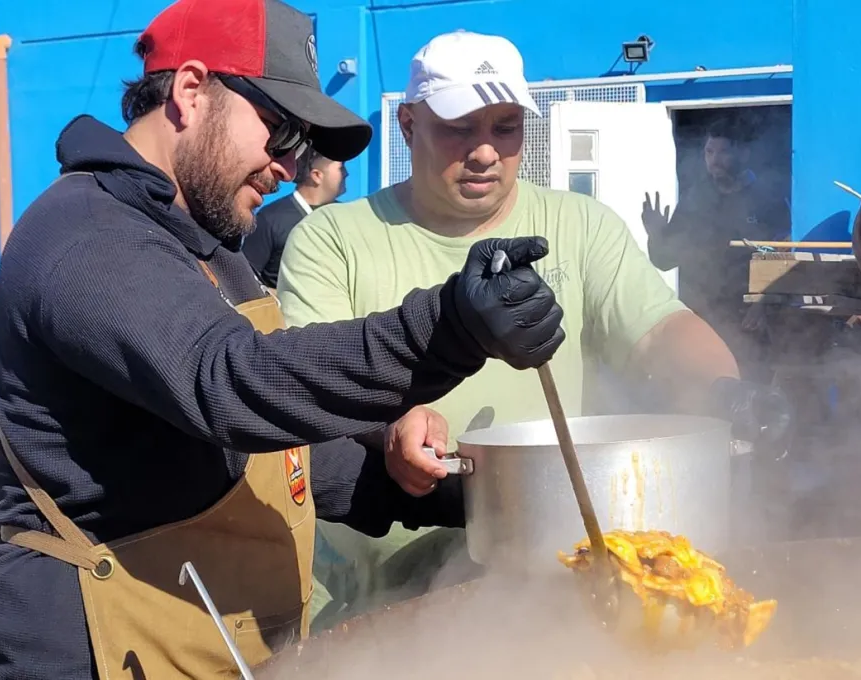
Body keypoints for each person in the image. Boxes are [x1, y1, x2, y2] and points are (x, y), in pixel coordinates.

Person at [0, 5, 567, 680]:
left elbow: (289, 459)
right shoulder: (85, 235)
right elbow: (230, 382)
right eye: (279, 131)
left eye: (301, 145)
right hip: (79, 654)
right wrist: (446, 328)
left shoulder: (214, 252)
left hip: (199, 642)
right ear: (190, 91)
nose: (288, 165)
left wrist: (455, 494)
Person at [276, 30, 793, 630]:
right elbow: (309, 385)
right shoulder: (334, 239)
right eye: (459, 128)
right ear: (409, 126)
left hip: (555, 581)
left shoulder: (580, 226)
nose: (485, 152)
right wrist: (391, 426)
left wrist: (726, 392)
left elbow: (659, 330)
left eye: (505, 128)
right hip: (383, 587)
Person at [641, 118, 792, 381]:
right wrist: (656, 233)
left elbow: (781, 257)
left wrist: (762, 304)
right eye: (709, 152)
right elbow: (664, 260)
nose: (715, 159)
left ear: (743, 153)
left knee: (750, 396)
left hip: (747, 325)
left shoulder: (768, 200)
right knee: (702, 401)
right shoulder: (693, 200)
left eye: (723, 151)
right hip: (701, 321)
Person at [243, 148, 348, 288]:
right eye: (341, 168)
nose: (346, 174)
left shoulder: (345, 218)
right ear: (317, 175)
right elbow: (246, 280)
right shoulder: (270, 220)